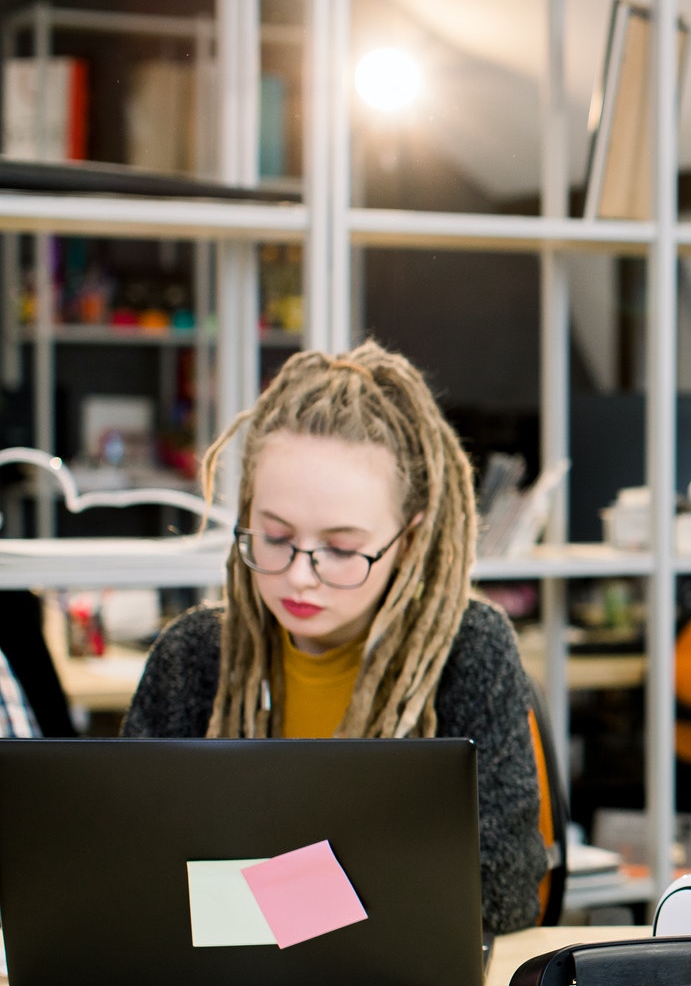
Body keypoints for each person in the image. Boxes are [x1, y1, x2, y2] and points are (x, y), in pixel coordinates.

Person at [123, 343, 546, 935]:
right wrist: (365, 886)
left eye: (343, 550)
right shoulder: (191, 658)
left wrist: (243, 904)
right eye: (274, 536)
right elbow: (130, 876)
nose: (300, 576)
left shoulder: (467, 651)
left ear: (410, 536)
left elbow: (502, 886)